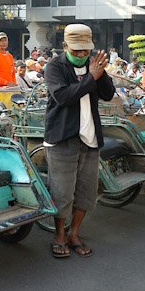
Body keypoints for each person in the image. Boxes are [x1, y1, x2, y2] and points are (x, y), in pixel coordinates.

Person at [44, 24, 115, 258]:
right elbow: (63, 97)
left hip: (90, 137)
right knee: (63, 192)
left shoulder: (93, 64)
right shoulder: (55, 67)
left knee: (86, 191)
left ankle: (74, 232)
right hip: (63, 137)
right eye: (77, 52)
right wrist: (90, 77)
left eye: (85, 51)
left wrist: (101, 74)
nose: (82, 55)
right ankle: (60, 235)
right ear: (65, 47)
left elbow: (107, 94)